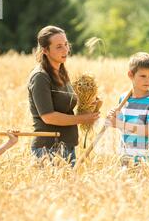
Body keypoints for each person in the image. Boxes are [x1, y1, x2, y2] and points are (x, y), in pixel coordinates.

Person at [28, 25, 99, 166]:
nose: (66, 50)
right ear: (45, 50)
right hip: (48, 148)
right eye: (59, 46)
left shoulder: (61, 73)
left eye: (66, 44)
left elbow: (65, 107)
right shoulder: (40, 77)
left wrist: (88, 102)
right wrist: (82, 119)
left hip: (67, 145)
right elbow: (48, 116)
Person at [106, 52, 149, 164]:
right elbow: (123, 127)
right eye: (143, 76)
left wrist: (119, 124)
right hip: (125, 157)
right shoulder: (124, 98)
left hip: (146, 161)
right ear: (130, 75)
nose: (147, 80)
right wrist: (113, 120)